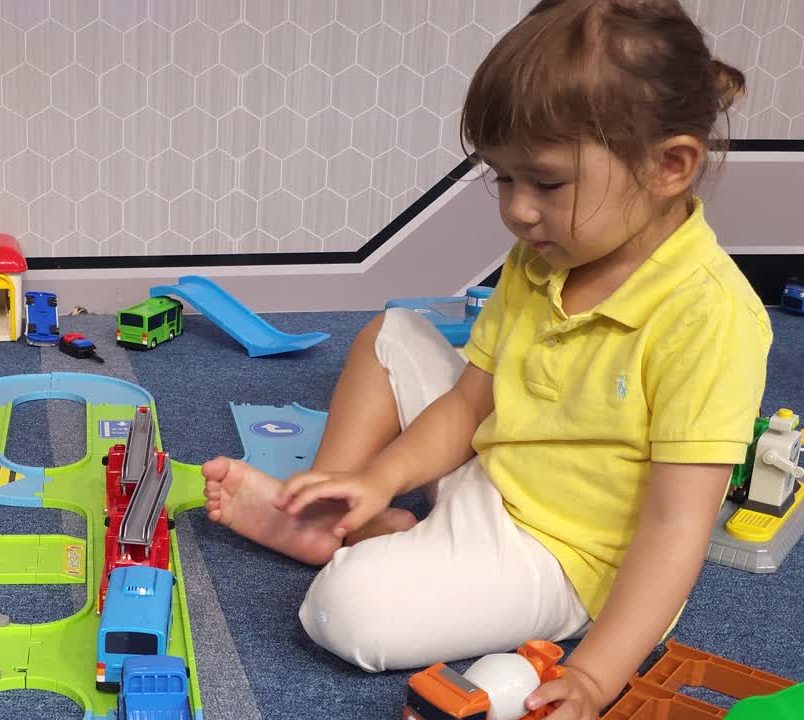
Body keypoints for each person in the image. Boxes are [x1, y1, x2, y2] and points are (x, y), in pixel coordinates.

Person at [200, 1, 773, 718]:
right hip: (497, 457)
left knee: (345, 611)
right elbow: (472, 402)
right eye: (503, 180)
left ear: (669, 167)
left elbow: (675, 528)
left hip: (559, 553)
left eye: (546, 183)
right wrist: (377, 480)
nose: (518, 211)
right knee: (391, 334)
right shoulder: (544, 256)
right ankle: (338, 510)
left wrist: (596, 676)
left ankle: (355, 546)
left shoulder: (709, 318)